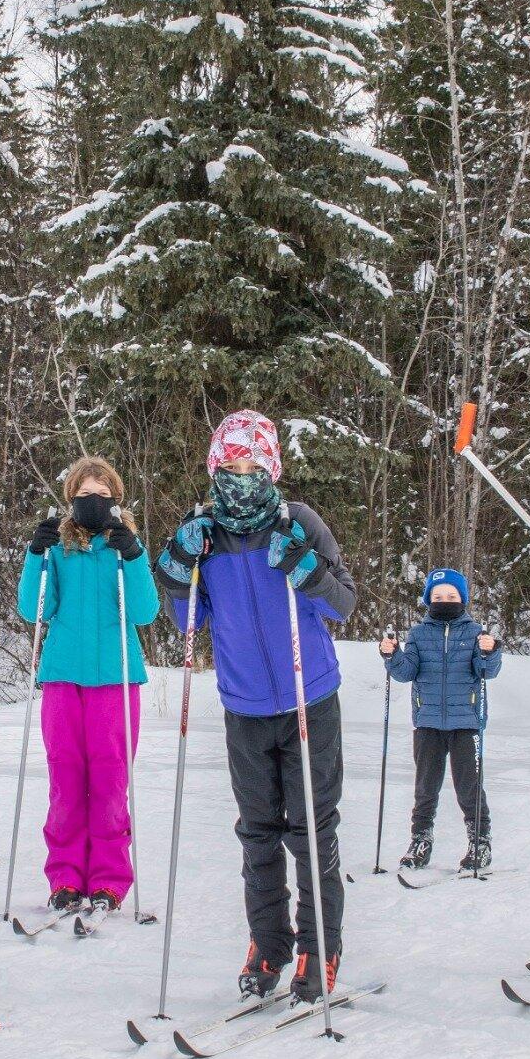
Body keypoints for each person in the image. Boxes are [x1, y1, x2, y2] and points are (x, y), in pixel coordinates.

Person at [154, 411, 357, 1002]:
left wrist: (306, 568)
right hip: (243, 705)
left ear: (271, 467)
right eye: (231, 466)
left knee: (311, 830)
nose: (242, 477)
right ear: (216, 468)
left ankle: (320, 947)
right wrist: (176, 568)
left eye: (253, 466)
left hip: (307, 698)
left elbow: (343, 602)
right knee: (258, 833)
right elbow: (190, 621)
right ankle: (268, 943)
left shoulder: (299, 522)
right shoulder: (205, 532)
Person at [15, 459, 158, 914]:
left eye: (101, 493)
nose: (91, 501)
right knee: (66, 778)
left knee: (111, 779)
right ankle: (65, 876)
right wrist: (35, 557)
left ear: (114, 498)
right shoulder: (58, 547)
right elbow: (33, 610)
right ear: (71, 500)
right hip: (62, 676)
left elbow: (144, 613)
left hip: (115, 679)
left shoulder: (124, 548)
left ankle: (109, 879)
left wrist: (134, 558)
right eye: (83, 494)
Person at [379, 568, 502, 873]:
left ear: (462, 598)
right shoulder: (419, 634)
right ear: (427, 599)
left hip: (466, 724)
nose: (444, 600)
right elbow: (406, 672)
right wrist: (391, 655)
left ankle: (479, 842)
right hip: (428, 723)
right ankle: (420, 840)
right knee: (425, 787)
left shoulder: (475, 632)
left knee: (469, 787)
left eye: (451, 595)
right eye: (437, 596)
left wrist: (490, 652)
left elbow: (486, 671)